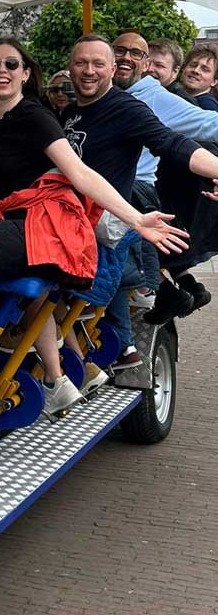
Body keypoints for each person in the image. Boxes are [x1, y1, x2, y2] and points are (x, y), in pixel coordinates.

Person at [0, 37, 187, 483]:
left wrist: (136, 218)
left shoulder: (36, 117)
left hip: (38, 232)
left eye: (12, 64)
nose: (2, 70)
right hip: (10, 229)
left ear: (26, 73)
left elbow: (79, 174)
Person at [62, 33, 218, 366]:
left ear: (112, 68)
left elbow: (173, 144)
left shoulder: (126, 106)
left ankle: (151, 295)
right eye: (81, 63)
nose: (89, 71)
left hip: (104, 222)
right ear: (70, 68)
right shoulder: (73, 110)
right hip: (74, 218)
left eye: (98, 64)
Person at [113, 30, 218, 321]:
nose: (126, 58)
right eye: (120, 51)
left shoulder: (155, 97)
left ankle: (156, 291)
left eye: (137, 54)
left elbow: (208, 128)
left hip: (136, 190)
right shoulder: (108, 92)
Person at [147, 39, 198, 104]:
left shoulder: (183, 102)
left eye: (159, 65)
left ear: (175, 71)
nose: (149, 69)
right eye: (146, 62)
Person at [180, 44, 218, 111]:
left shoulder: (208, 108)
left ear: (214, 81)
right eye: (193, 65)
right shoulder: (176, 96)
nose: (196, 70)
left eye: (205, 69)